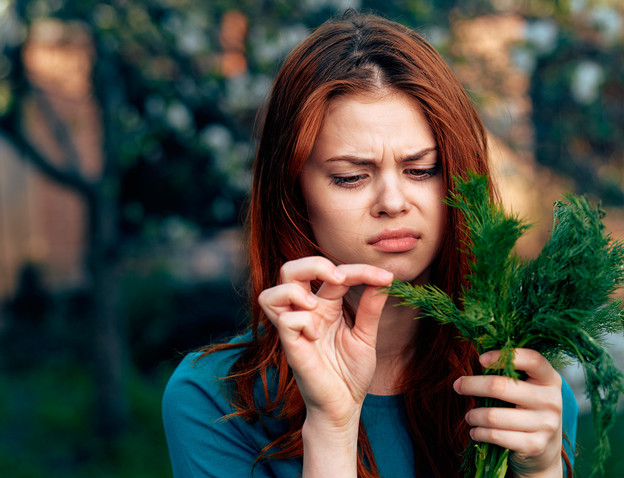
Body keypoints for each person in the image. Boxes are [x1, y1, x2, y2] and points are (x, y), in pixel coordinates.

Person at [162, 10, 578, 478]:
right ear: (293, 192)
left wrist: (541, 470)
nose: (393, 202)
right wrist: (333, 426)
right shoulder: (213, 401)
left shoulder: (515, 389)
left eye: (421, 170)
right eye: (351, 177)